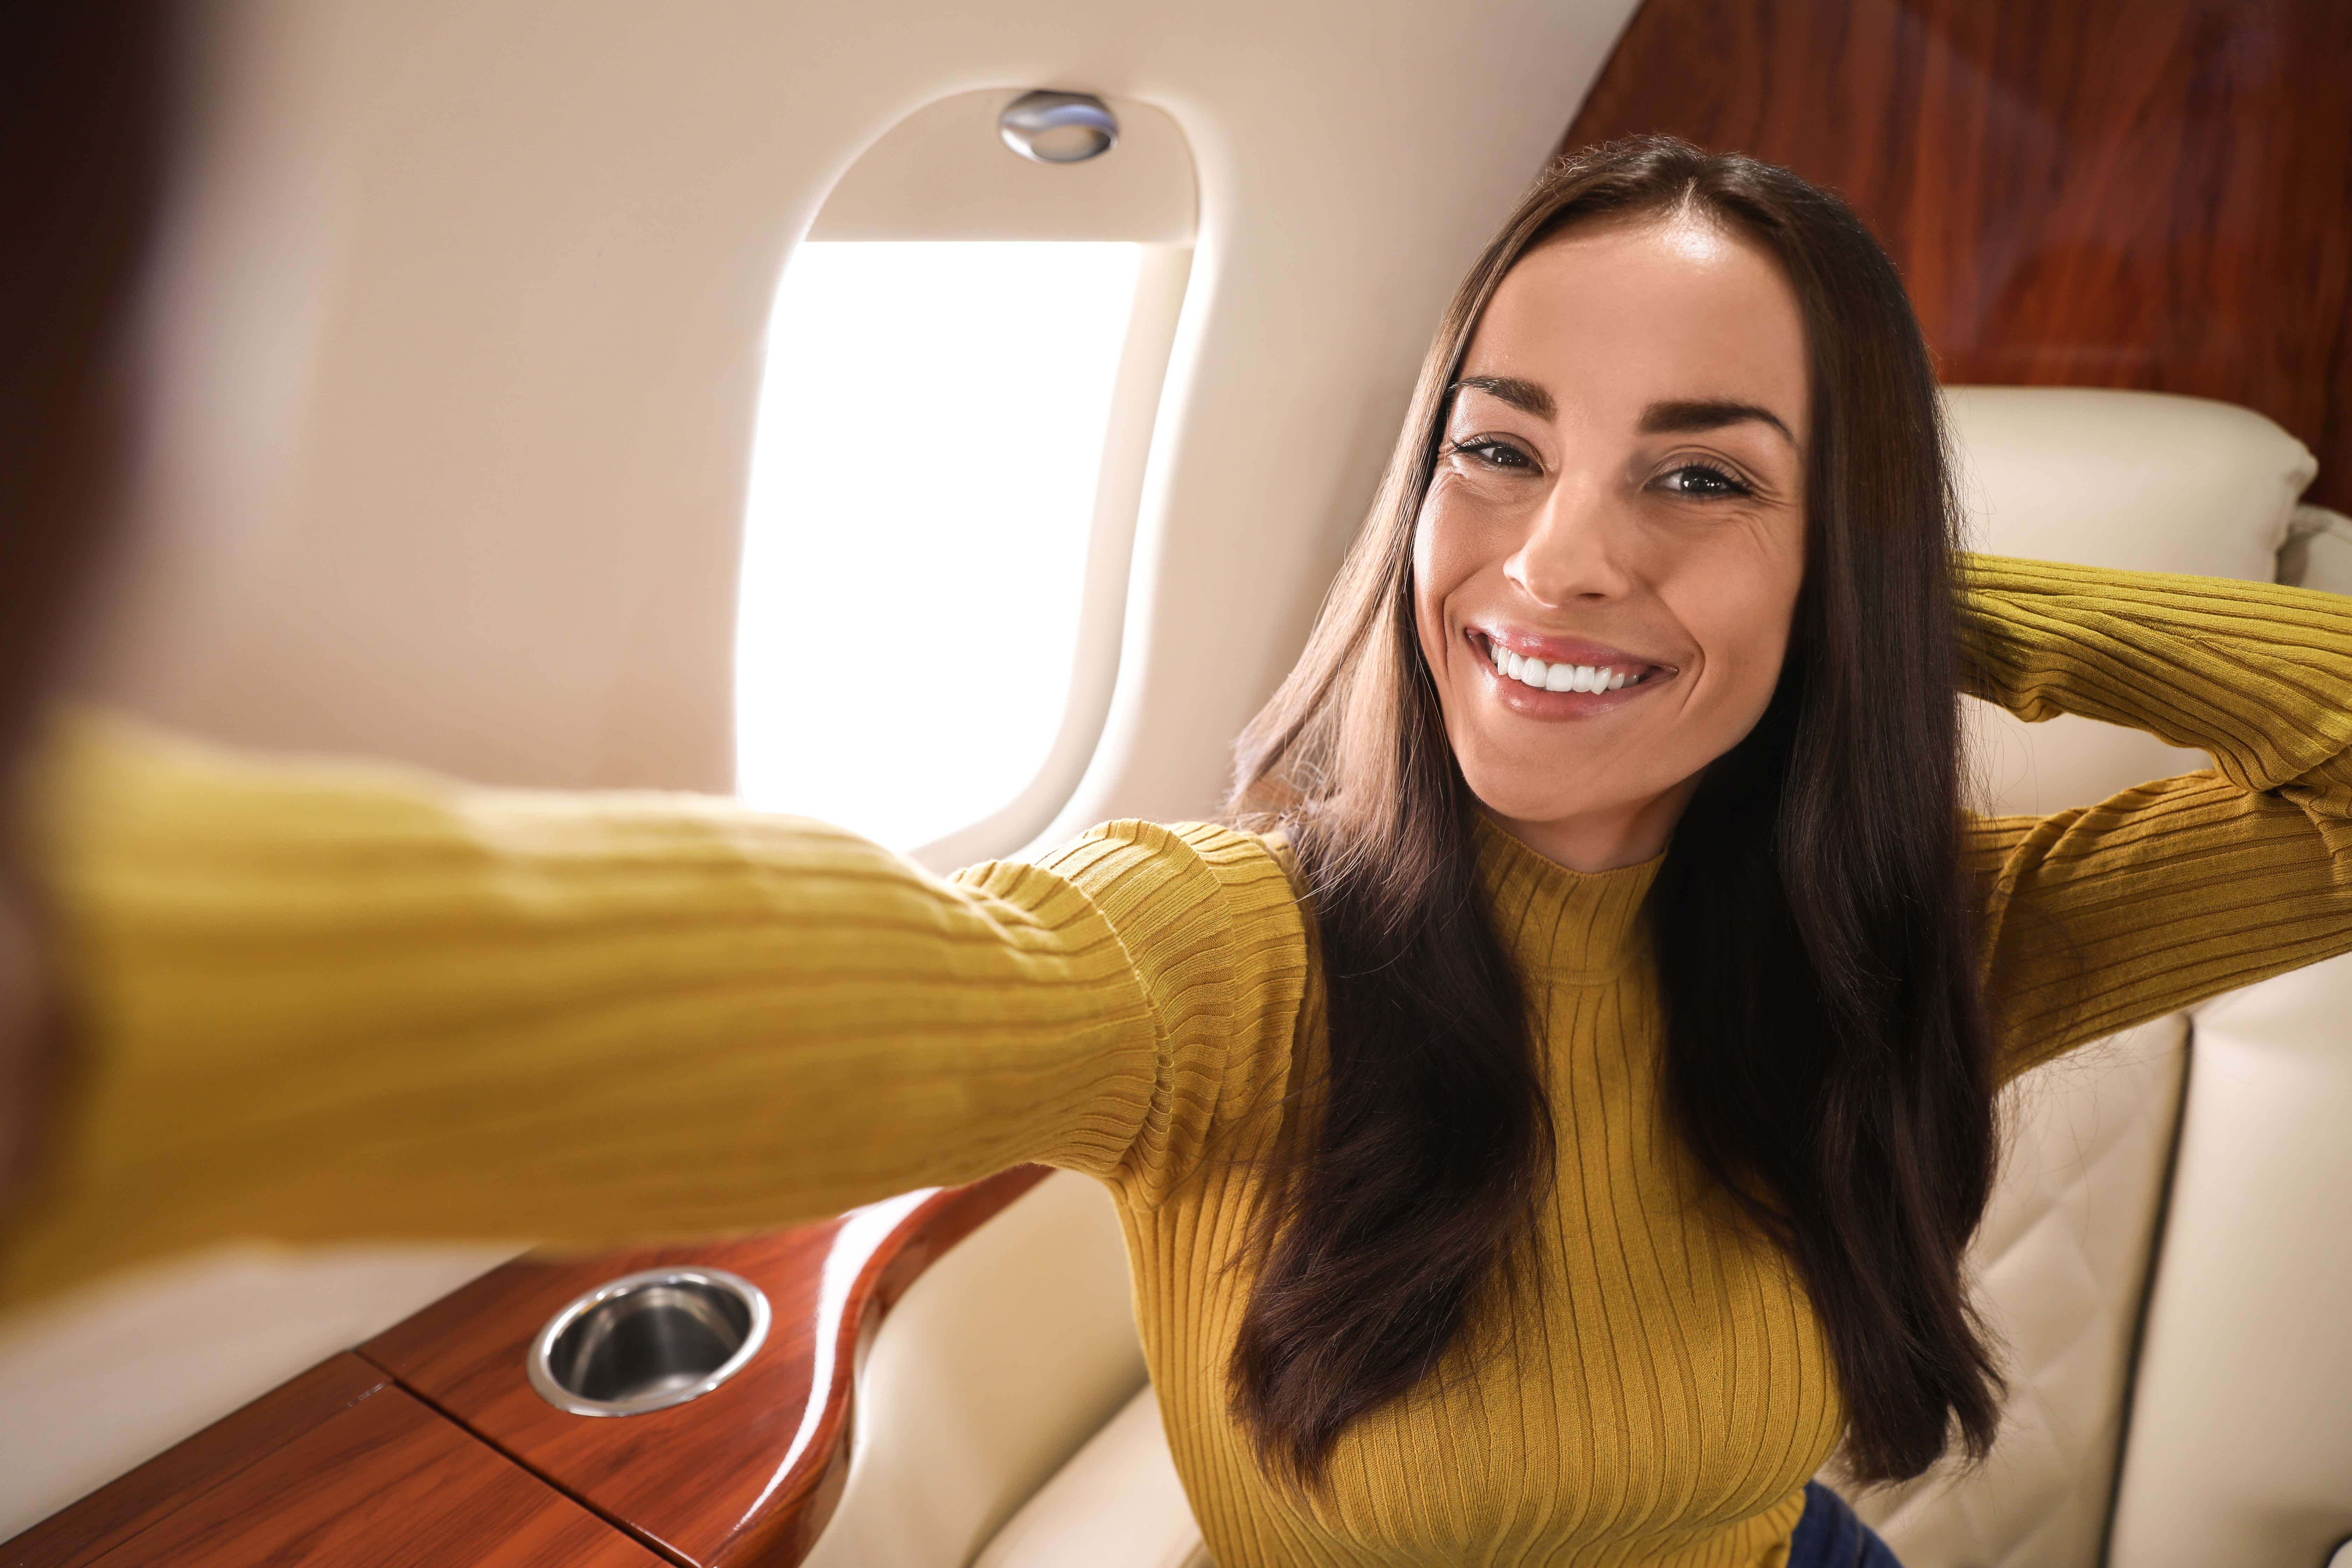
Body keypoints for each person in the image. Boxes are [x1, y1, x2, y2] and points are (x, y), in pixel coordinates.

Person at [10, 136, 2352, 1568]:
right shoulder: (1228, 955)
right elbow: (839, 980)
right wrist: (100, 979)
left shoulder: (1936, 939)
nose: (1546, 567)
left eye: (1703, 473)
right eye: (1496, 448)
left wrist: (1934, 605)